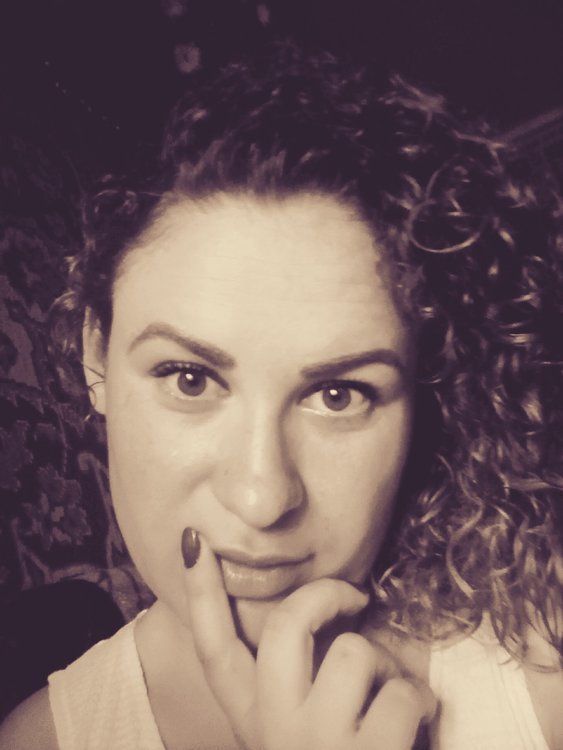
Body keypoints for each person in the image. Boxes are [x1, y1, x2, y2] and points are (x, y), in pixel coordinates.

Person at [1, 40, 562, 749]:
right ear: (96, 358)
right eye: (189, 378)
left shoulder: (544, 659)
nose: (262, 499)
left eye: (338, 394)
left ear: (422, 402)